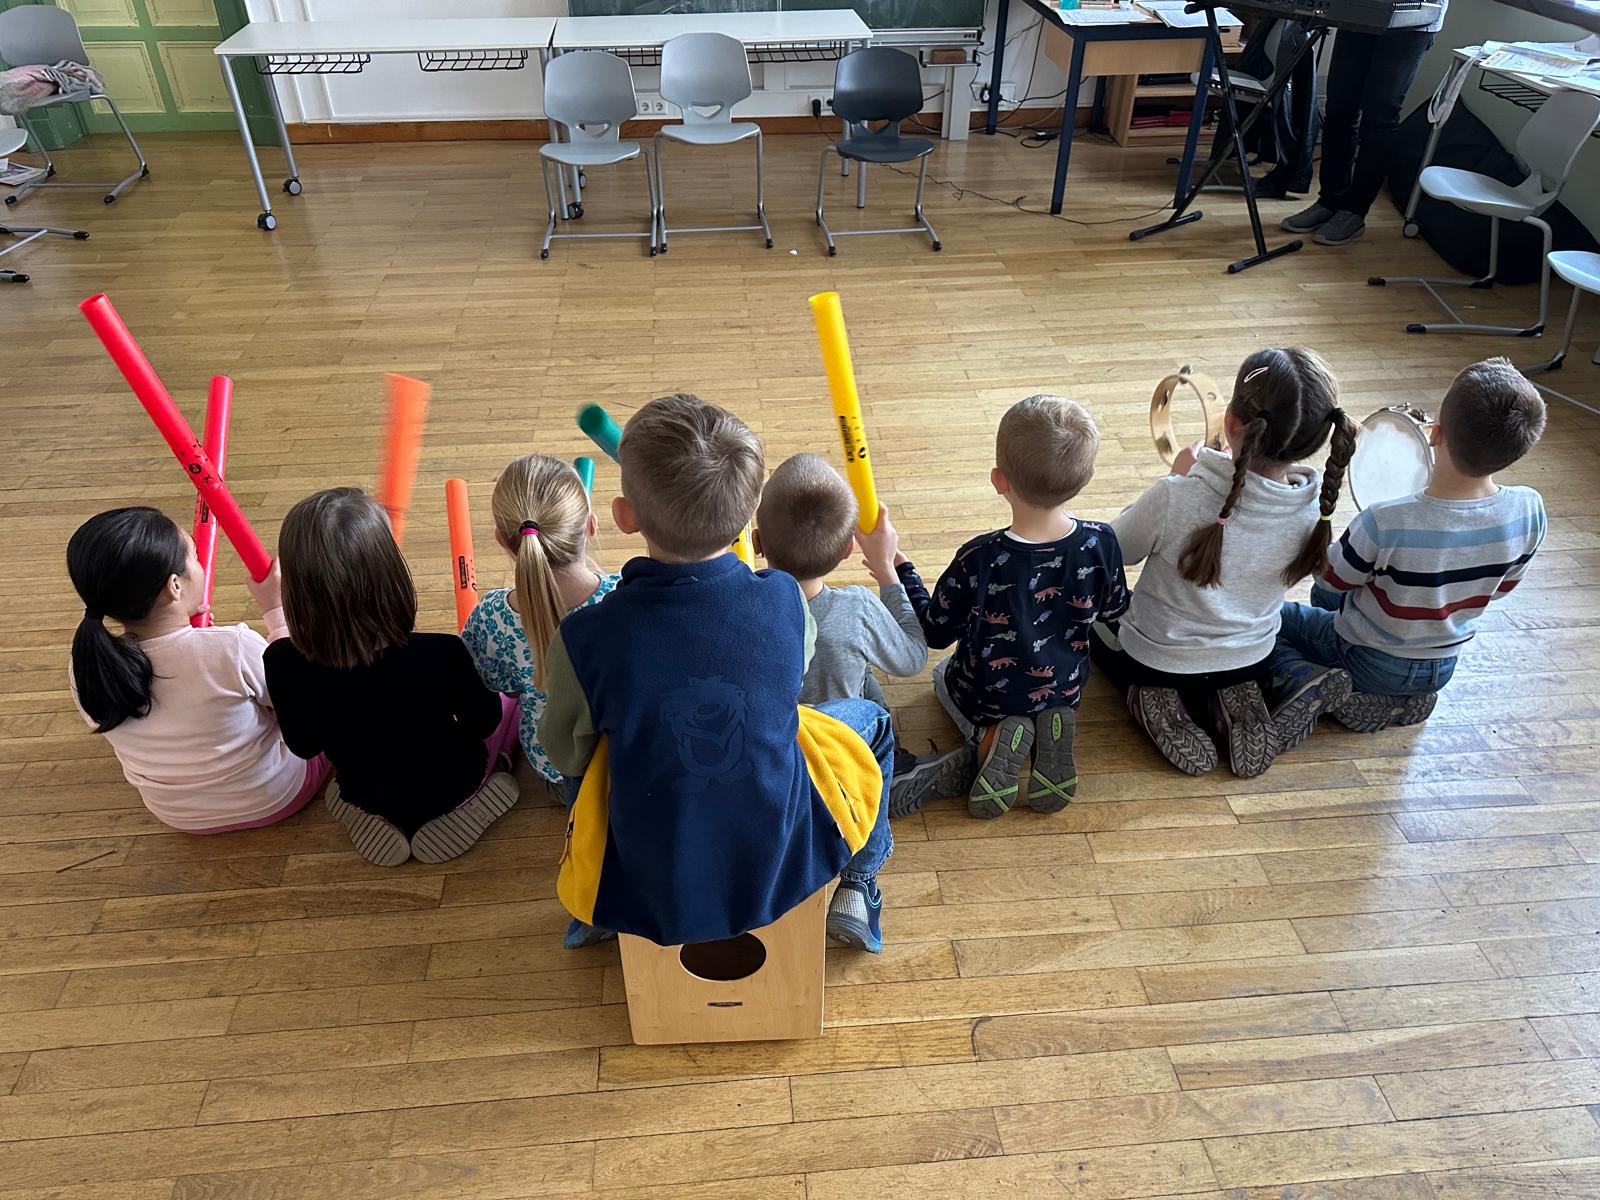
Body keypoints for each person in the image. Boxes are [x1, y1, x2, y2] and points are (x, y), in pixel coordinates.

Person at [538, 394, 894, 953]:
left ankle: (595, 908)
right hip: (785, 863)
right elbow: (790, 679)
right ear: (751, 520)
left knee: (587, 760)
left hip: (645, 877)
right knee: (875, 721)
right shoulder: (782, 598)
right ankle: (857, 881)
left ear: (625, 517)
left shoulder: (583, 638)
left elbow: (563, 752)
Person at [1094, 349, 1357, 777]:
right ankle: (1232, 696)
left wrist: (1179, 478)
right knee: (1235, 659)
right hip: (1249, 657)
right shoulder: (1316, 510)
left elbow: (1112, 552)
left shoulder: (1177, 495)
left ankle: (1147, 696)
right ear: (1320, 440)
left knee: (1093, 622)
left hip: (1158, 660)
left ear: (1230, 424)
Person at [1268, 357, 1547, 734]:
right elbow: (1501, 589)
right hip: (1442, 666)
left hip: (1369, 658)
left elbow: (1332, 581)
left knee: (1272, 619)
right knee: (1344, 600)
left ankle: (1309, 680)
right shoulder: (1529, 509)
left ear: (1435, 433)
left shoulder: (1386, 520)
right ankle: (1403, 698)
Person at [897, 395, 1128, 819]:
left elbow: (935, 632)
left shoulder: (979, 557)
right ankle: (1048, 731)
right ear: (1088, 477)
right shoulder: (1102, 541)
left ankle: (993, 737)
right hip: (1065, 688)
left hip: (988, 694)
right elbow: (1114, 609)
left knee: (939, 676)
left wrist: (901, 571)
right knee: (1049, 699)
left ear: (999, 480)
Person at [264, 487, 520, 866]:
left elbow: (304, 746)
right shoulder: (443, 652)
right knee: (510, 698)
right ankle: (479, 797)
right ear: (391, 575)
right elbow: (485, 722)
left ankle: (365, 812)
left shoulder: (282, 660)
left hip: (362, 787)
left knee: (357, 766)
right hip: (453, 782)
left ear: (297, 591)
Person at [66, 507, 330, 833]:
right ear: (174, 586)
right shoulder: (232, 647)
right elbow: (301, 711)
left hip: (180, 817)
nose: (199, 559)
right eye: (194, 553)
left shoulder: (85, 666)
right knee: (333, 689)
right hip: (274, 797)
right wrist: (278, 615)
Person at [753, 453, 960, 816]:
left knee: (855, 663)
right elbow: (913, 657)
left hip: (776, 746)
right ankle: (890, 773)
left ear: (757, 542)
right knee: (861, 665)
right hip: (843, 744)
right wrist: (886, 571)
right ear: (849, 549)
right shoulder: (857, 608)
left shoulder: (743, 607)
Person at [461, 453, 619, 793]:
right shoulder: (630, 595)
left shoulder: (490, 617)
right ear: (592, 525)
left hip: (560, 770)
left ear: (503, 540)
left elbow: (504, 688)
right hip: (631, 762)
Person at [1281, 1, 1451, 246]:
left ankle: (1354, 212)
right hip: (1360, 15)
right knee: (1339, 109)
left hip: (1412, 23)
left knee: (1380, 117)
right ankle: (1329, 201)